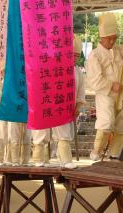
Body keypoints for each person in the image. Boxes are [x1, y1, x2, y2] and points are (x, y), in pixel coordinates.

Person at [32, 34, 85, 168]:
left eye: (77, 56)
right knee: (42, 131)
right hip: (47, 104)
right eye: (72, 55)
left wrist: (78, 107)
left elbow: (80, 93)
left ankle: (66, 160)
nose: (75, 58)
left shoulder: (78, 72)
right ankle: (39, 158)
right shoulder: (52, 66)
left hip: (65, 107)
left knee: (64, 133)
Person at [87, 13, 123, 161]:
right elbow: (94, 80)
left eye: (115, 38)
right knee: (106, 122)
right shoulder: (95, 55)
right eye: (110, 38)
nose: (112, 41)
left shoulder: (119, 51)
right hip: (106, 94)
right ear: (102, 38)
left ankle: (114, 155)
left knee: (121, 125)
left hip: (121, 94)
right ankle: (96, 151)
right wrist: (111, 85)